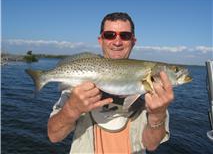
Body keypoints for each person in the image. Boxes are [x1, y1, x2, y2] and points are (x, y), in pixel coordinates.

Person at [47, 12, 174, 153]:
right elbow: (54, 136)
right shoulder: (77, 87)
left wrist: (157, 115)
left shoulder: (155, 94)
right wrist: (72, 109)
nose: (117, 42)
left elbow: (151, 145)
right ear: (100, 40)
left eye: (125, 36)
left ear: (133, 41)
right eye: (109, 35)